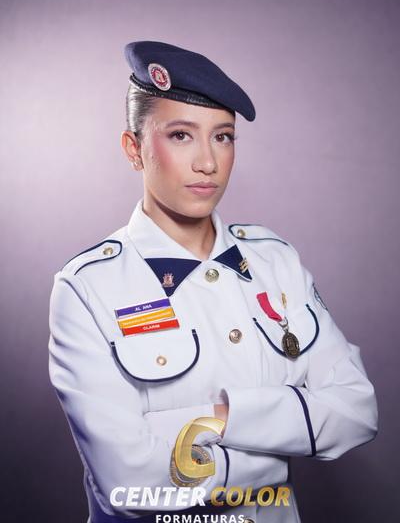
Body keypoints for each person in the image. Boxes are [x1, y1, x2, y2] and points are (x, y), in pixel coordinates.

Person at [48, 40, 378, 523]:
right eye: (181, 135)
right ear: (134, 149)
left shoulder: (275, 261)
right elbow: (130, 485)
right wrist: (275, 458)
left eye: (223, 137)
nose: (208, 161)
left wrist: (220, 418)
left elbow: (356, 411)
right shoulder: (87, 288)